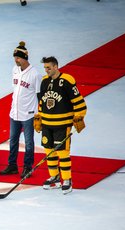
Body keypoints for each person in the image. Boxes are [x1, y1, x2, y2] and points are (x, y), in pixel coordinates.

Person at [35, 56, 87, 194]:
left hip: (62, 125)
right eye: (45, 68)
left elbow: (79, 102)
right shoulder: (44, 81)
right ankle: (55, 177)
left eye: (49, 67)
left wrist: (79, 117)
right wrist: (39, 117)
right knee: (49, 151)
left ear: (56, 66)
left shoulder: (67, 81)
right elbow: (42, 102)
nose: (46, 70)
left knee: (63, 153)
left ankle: (67, 180)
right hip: (47, 124)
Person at [0, 41, 42, 178]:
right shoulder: (15, 70)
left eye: (18, 57)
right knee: (13, 140)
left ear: (24, 58)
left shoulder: (35, 74)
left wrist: (40, 114)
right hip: (14, 112)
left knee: (29, 143)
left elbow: (39, 94)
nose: (16, 60)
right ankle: (12, 165)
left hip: (28, 114)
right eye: (15, 58)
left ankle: (27, 168)